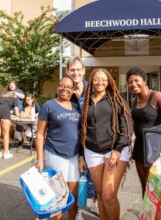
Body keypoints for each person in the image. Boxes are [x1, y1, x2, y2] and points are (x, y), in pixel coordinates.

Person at [79, 68, 133, 220]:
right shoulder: (87, 101)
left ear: (109, 81)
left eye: (103, 79)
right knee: (100, 193)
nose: (99, 82)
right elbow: (82, 129)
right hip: (92, 150)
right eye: (96, 79)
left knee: (109, 195)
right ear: (91, 81)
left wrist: (117, 150)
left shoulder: (117, 99)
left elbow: (127, 126)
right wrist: (81, 155)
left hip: (115, 150)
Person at [126, 67, 161, 197]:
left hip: (155, 150)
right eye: (130, 82)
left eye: (136, 80)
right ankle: (146, 215)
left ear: (145, 81)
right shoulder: (134, 101)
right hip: (139, 149)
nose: (133, 84)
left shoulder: (156, 96)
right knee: (144, 187)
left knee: (156, 189)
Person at [36, 76, 81, 220]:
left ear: (73, 90)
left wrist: (81, 156)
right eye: (62, 86)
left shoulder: (77, 107)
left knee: (73, 194)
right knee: (58, 196)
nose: (65, 89)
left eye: (68, 87)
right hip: (55, 153)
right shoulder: (48, 105)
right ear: (57, 87)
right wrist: (40, 160)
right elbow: (40, 134)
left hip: (73, 155)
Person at [66, 55, 99, 216]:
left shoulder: (93, 89)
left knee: (96, 176)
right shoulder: (65, 92)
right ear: (67, 71)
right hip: (73, 141)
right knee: (76, 178)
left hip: (94, 139)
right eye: (72, 70)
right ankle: (77, 209)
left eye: (78, 69)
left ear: (84, 71)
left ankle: (95, 203)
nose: (76, 73)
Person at [0, 92, 20, 159]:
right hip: (5, 111)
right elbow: (16, 111)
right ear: (14, 95)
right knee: (6, 134)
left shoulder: (2, 98)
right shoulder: (14, 99)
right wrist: (19, 116)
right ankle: (6, 153)